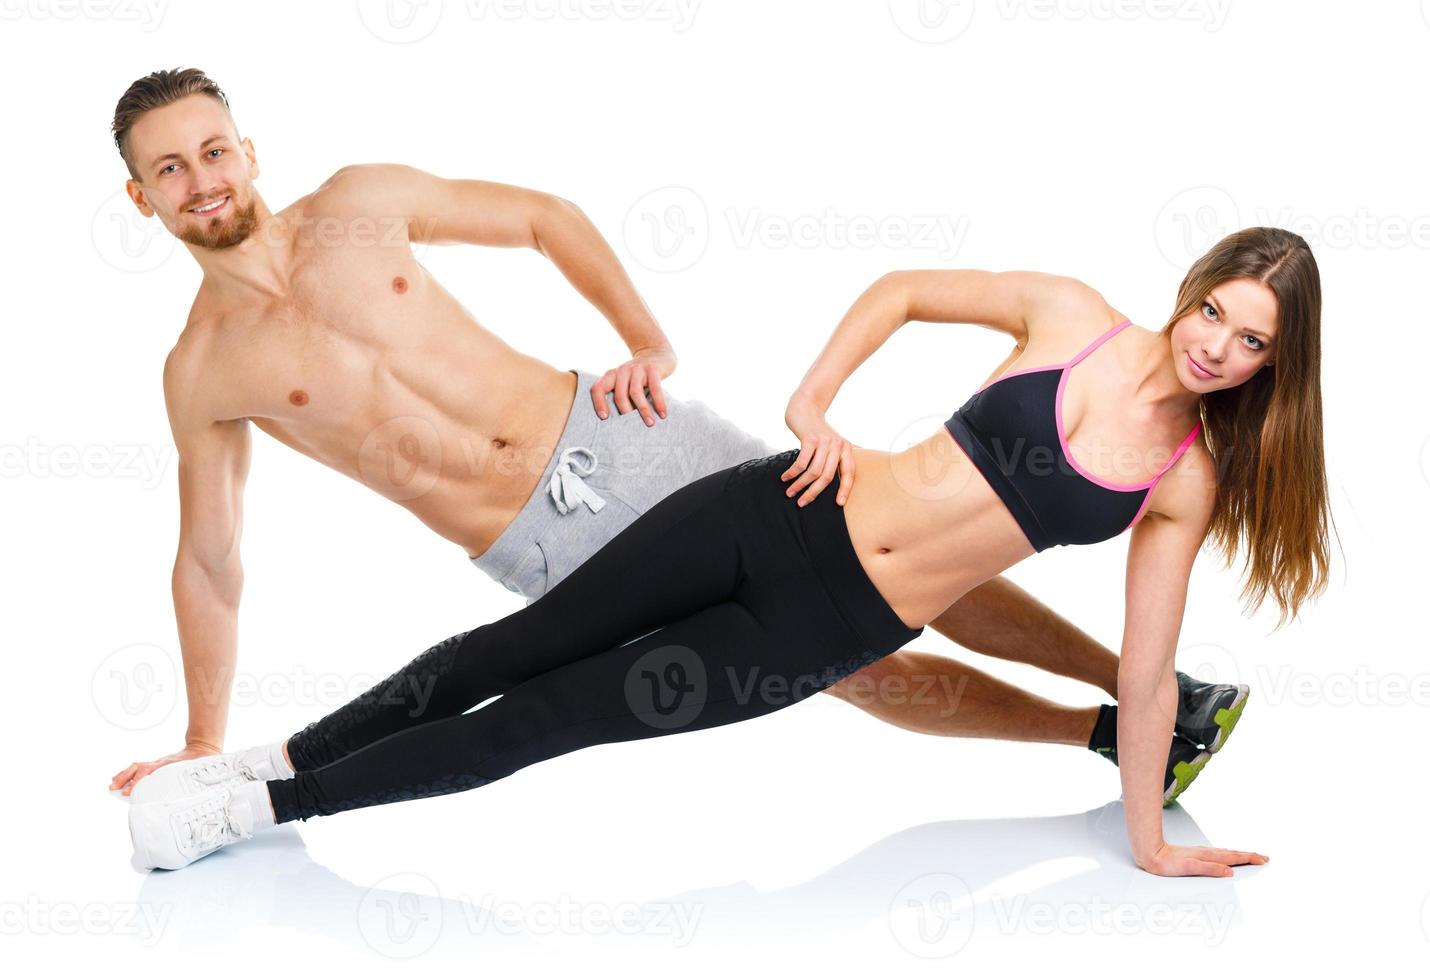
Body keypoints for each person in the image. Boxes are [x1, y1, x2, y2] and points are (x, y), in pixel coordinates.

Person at [105, 67, 1241, 810]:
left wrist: (643, 339)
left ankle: (1150, 690)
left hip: (628, 436)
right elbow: (210, 557)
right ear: (139, 197)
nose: (201, 180)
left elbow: (542, 216)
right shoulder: (202, 371)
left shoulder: (361, 201)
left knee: (900, 542)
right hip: (536, 544)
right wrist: (207, 733)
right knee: (849, 667)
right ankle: (1100, 730)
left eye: (213, 150)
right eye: (170, 167)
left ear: (248, 147)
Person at [127, 226, 1329, 877]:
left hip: (820, 632)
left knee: (540, 718)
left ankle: (263, 809)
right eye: (1216, 308)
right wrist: (814, 407)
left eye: (1250, 341)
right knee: (516, 640)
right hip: (776, 507)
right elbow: (904, 288)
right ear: (1192, 289)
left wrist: (1147, 840)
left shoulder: (1187, 480)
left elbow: (1150, 657)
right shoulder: (1072, 313)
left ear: (1274, 366)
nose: (1216, 343)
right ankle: (264, 758)